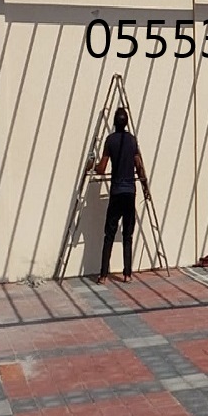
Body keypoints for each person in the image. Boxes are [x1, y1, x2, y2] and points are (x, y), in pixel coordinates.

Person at [88, 107, 149, 284]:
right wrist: (145, 186)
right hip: (130, 192)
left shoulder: (110, 140)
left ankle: (103, 275)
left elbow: (101, 169)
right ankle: (127, 274)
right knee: (127, 235)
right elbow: (139, 166)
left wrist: (91, 166)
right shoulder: (132, 140)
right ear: (127, 122)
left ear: (114, 123)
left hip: (116, 192)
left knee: (109, 234)